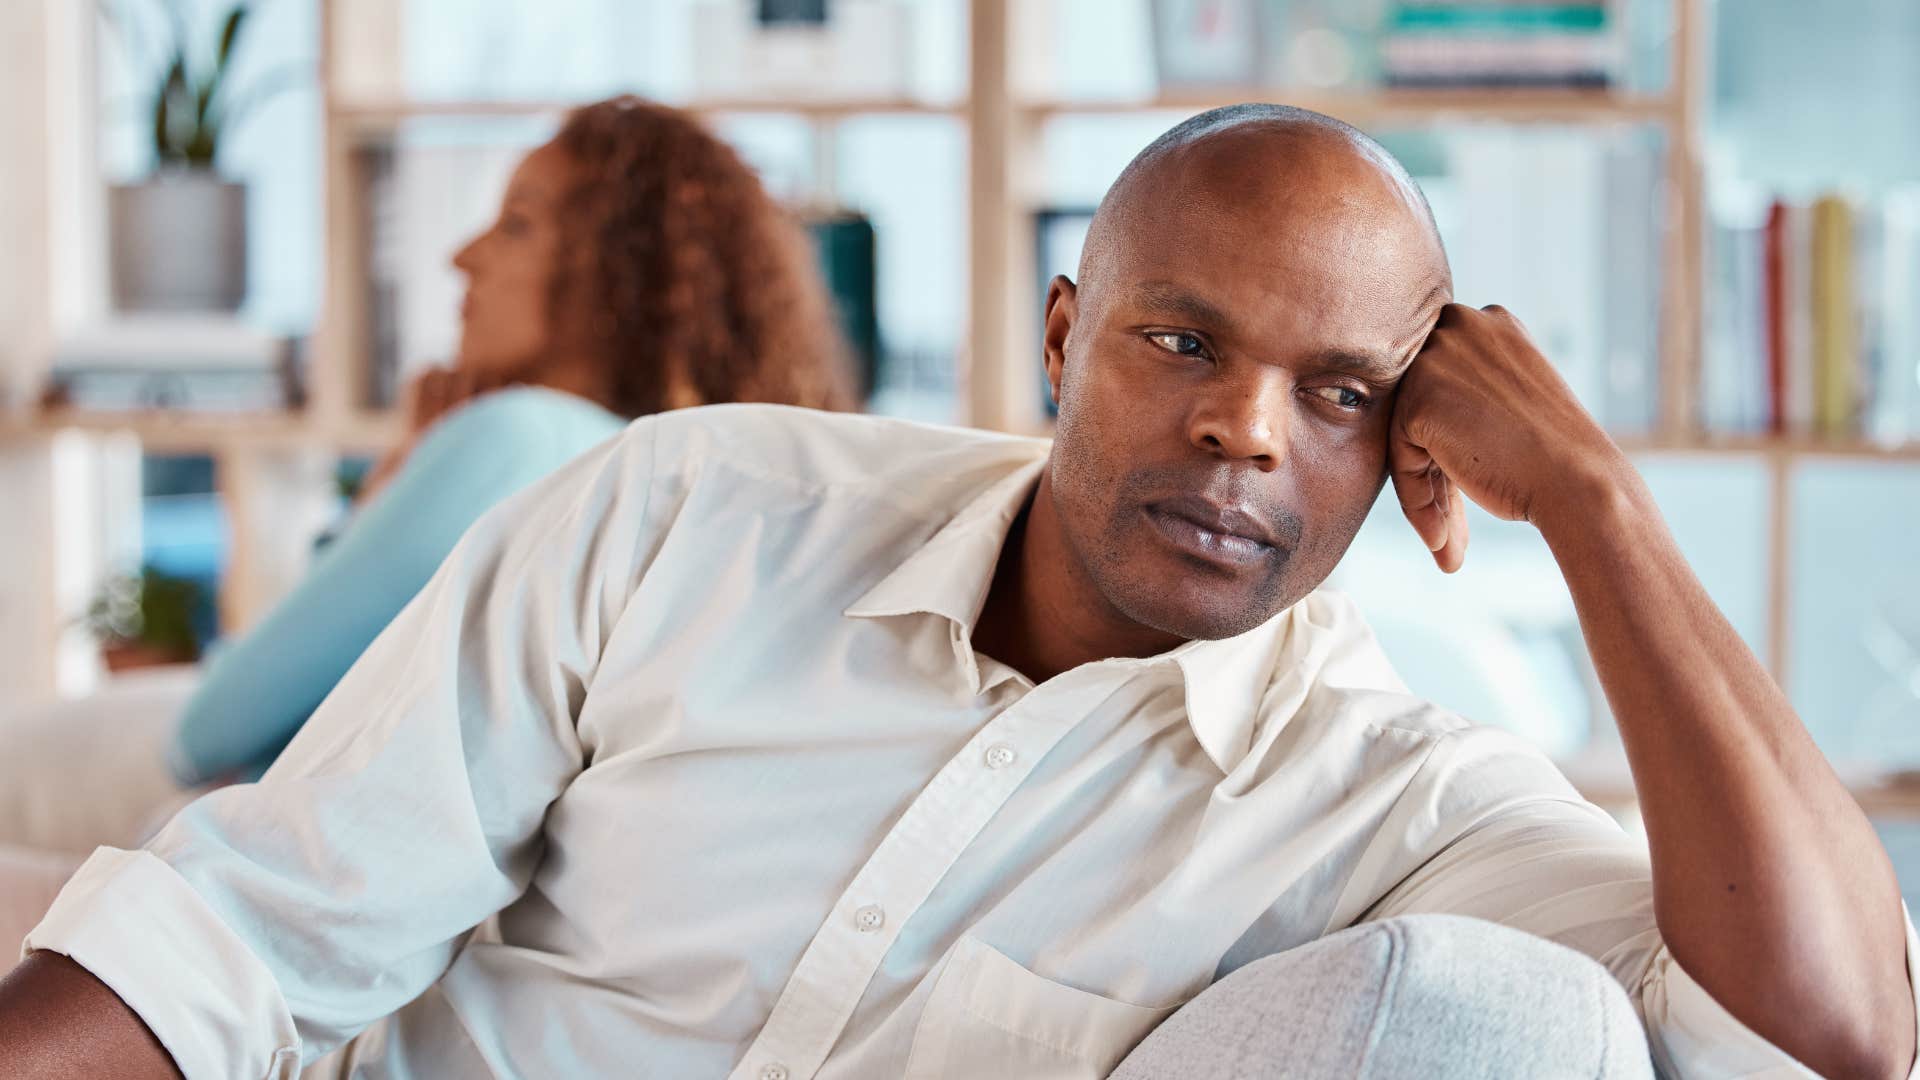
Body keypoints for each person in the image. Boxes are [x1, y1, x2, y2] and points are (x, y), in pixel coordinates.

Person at [3, 104, 1914, 1079]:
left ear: (1407, 448)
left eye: (1343, 394)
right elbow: (251, 939)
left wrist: (1597, 509)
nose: (1249, 432)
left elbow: (1835, 1036)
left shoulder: (1396, 808)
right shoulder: (693, 511)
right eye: (1183, 342)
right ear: (1064, 338)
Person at [0, 94, 856, 858]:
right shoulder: (685, 468)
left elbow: (210, 725)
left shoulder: (517, 433)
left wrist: (396, 478)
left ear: (620, 276)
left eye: (517, 224)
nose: (463, 256)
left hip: (268, 866)